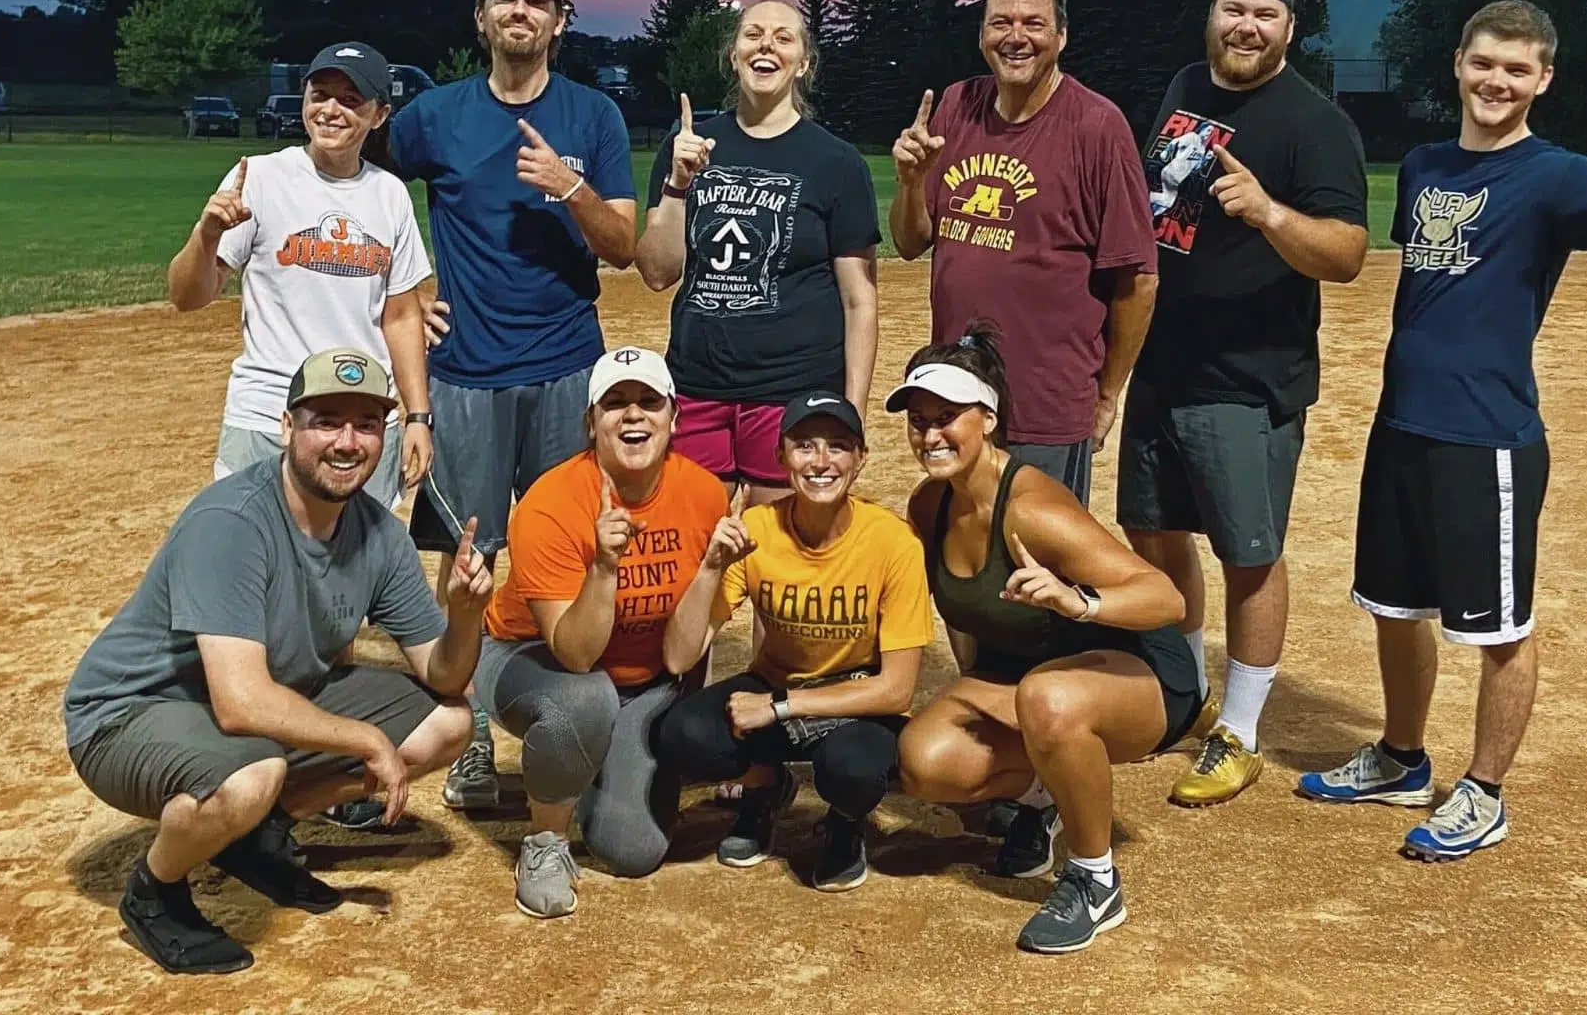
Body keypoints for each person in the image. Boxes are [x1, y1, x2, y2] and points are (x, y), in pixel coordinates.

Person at [1298, 1, 1587, 861]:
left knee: (1498, 629)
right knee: (1395, 608)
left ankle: (1483, 792)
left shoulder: (1557, 176)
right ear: (1458, 62)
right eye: (1485, 63)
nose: (1497, 82)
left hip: (1488, 438)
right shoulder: (1423, 166)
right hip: (1402, 425)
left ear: (1544, 80)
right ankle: (1403, 758)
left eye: (1518, 70)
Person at [61, 350, 489, 976]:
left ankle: (257, 832)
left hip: (251, 706)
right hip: (130, 714)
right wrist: (366, 739)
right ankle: (155, 892)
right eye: (327, 421)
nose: (347, 442)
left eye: (366, 424)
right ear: (288, 428)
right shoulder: (231, 521)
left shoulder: (379, 535)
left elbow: (446, 677)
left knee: (449, 722)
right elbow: (240, 703)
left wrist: (466, 613)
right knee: (250, 773)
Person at [388, 0, 638, 813]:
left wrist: (570, 187)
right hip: (463, 374)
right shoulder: (434, 116)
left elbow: (626, 247)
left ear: (560, 21)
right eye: (505, 0)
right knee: (470, 557)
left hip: (568, 364)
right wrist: (412, 290)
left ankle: (576, 716)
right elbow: (370, 198)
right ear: (482, 20)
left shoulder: (593, 114)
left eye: (537, 1)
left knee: (568, 547)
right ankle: (463, 732)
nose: (520, 13)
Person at [1117, 0, 1369, 806]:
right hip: (1159, 362)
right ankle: (1182, 692)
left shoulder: (1314, 121)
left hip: (1246, 377)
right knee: (1154, 535)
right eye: (1234, 9)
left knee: (1247, 554)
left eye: (1265, 15)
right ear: (1212, 15)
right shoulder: (1187, 83)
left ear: (1290, 28)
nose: (1246, 27)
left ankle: (1242, 728)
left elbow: (1347, 254)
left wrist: (1268, 213)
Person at [892, 328, 1201, 956]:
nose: (930, 436)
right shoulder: (929, 506)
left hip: (1139, 675)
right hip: (1031, 677)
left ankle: (1094, 879)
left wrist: (1078, 601)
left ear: (988, 418)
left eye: (947, 419)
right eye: (919, 421)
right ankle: (1045, 794)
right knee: (925, 760)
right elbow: (964, 614)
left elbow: (1166, 599)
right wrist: (972, 688)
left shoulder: (1032, 509)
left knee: (1049, 700)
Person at [474, 348, 734, 917]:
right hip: (533, 657)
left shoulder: (706, 494)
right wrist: (604, 566)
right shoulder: (550, 503)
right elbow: (575, 652)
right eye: (614, 404)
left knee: (632, 850)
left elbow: (693, 640)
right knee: (585, 701)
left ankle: (594, 763)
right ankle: (544, 842)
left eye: (649, 402)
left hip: (644, 679)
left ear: (674, 417)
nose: (633, 416)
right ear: (591, 423)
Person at [888, 0, 1156, 503]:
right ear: (982, 35)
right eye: (1000, 23)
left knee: (1042, 572)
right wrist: (912, 182)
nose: (1015, 37)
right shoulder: (957, 105)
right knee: (967, 562)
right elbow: (911, 241)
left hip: (1047, 402)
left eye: (1034, 23)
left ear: (1061, 36)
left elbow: (1139, 279)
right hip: (956, 393)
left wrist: (1106, 395)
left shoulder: (1096, 126)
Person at [653, 392, 929, 891]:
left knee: (852, 769)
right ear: (780, 457)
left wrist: (780, 706)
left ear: (861, 458)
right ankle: (765, 789)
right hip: (777, 684)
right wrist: (711, 569)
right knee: (682, 734)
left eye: (838, 446)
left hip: (857, 700)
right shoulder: (758, 529)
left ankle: (846, 821)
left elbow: (897, 691)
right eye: (804, 446)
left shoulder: (894, 543)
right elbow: (678, 656)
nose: (821, 461)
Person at [167, 40, 434, 508]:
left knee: (355, 571)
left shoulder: (389, 194)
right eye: (320, 95)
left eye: (351, 100)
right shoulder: (261, 178)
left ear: (378, 115)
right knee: (252, 562)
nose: (331, 111)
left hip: (363, 411)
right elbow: (188, 296)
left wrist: (417, 417)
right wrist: (207, 235)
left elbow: (401, 317)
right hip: (270, 412)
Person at [636, 0, 880, 506]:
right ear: (733, 54)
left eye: (783, 37)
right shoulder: (689, 145)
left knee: (783, 559)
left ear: (803, 63)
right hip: (697, 383)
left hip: (794, 389)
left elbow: (860, 301)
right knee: (695, 549)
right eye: (752, 34)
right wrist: (678, 185)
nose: (766, 44)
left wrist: (850, 415)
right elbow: (658, 273)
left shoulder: (836, 161)